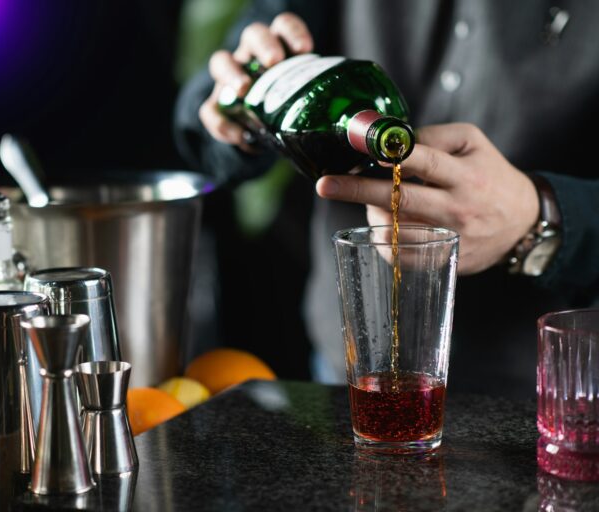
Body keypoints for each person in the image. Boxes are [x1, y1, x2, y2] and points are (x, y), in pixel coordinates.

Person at [174, 0, 599, 398]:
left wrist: (541, 215)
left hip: (558, 392)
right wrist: (240, 114)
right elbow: (203, 111)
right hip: (345, 375)